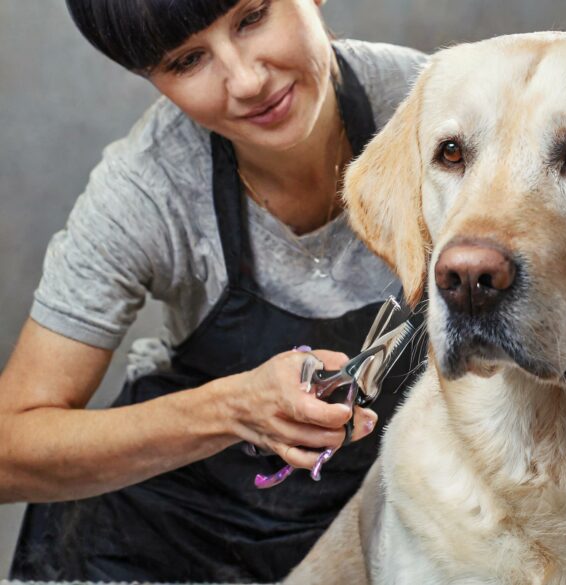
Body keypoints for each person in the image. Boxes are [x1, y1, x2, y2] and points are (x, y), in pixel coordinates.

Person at [0, 1, 426, 581]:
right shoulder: (148, 189)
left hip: (393, 524)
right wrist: (233, 410)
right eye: (188, 60)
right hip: (173, 540)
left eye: (252, 17)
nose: (247, 81)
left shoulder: (439, 115)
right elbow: (8, 451)